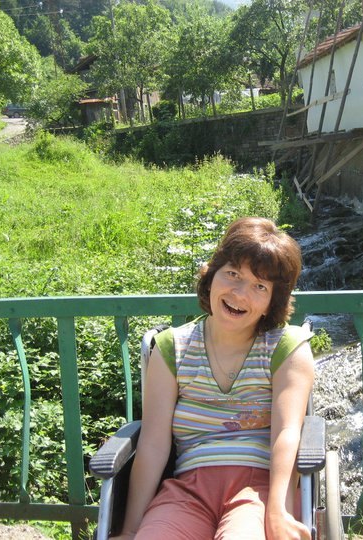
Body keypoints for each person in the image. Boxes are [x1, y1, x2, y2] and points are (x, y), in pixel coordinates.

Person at [112, 217, 315, 540]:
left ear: (271, 302)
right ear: (211, 277)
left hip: (259, 489)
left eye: (259, 286)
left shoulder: (286, 348)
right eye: (233, 274)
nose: (240, 293)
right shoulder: (172, 348)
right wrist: (129, 529)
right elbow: (153, 443)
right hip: (187, 490)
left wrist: (278, 512)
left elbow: (287, 433)